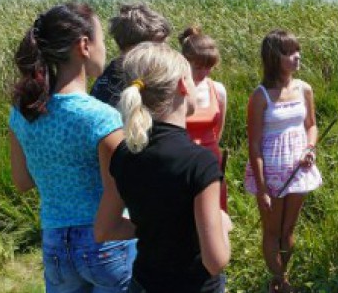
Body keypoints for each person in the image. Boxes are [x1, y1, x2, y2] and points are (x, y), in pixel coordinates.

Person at [8, 3, 135, 292]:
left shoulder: (22, 111)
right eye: (102, 40)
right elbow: (121, 189)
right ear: (84, 45)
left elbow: (23, 182)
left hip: (55, 244)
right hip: (106, 244)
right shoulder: (101, 117)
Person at [94, 42, 232, 293]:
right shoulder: (200, 162)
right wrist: (222, 224)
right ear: (182, 84)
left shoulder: (125, 153)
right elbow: (215, 261)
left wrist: (155, 227)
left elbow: (105, 229)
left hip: (144, 284)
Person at [244, 29, 322, 293]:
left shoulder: (305, 89)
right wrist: (262, 186)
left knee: (289, 230)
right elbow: (253, 144)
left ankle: (280, 277)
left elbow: (312, 126)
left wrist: (310, 149)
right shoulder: (260, 96)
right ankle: (281, 281)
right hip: (272, 171)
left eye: (296, 50)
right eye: (288, 52)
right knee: (272, 231)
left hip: (298, 168)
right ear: (273, 58)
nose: (296, 57)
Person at [179, 26, 229, 212]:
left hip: (210, 162)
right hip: (181, 162)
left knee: (213, 216)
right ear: (184, 62)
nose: (203, 74)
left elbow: (218, 131)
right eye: (198, 68)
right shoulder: (173, 91)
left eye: (209, 68)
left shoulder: (218, 90)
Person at [91, 3, 171, 107]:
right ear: (133, 49)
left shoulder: (149, 74)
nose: (164, 54)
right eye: (157, 48)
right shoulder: (114, 82)